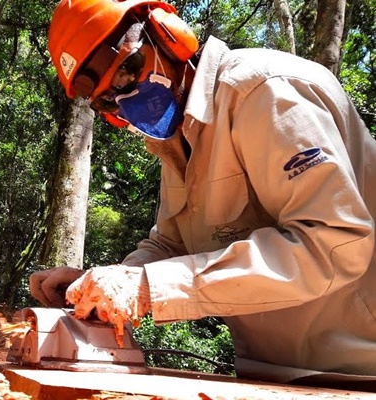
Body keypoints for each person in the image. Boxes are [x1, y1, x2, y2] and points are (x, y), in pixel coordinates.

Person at [30, 0, 376, 389]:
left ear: (166, 35)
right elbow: (171, 245)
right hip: (269, 373)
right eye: (109, 98)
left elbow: (334, 244)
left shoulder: (265, 91)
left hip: (360, 370)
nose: (126, 97)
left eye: (128, 69)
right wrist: (108, 283)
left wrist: (146, 287)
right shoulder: (175, 138)